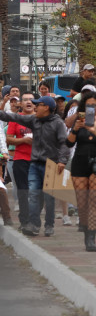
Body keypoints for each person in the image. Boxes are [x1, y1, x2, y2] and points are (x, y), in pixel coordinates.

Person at [0, 95, 70, 237]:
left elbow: (64, 143)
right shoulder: (34, 119)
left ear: (47, 107)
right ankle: (34, 225)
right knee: (34, 195)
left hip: (51, 164)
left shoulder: (58, 123)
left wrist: (62, 161)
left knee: (49, 198)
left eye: (39, 104)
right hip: (34, 164)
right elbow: (13, 117)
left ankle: (49, 225)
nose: (35, 106)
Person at [65, 94, 96, 251]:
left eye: (94, 105)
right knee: (82, 203)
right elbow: (69, 143)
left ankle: (91, 236)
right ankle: (85, 229)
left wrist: (91, 127)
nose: (92, 108)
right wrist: (76, 129)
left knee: (93, 201)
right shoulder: (79, 121)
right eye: (89, 105)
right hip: (80, 161)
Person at [6, 93, 35, 231]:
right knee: (23, 191)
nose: (28, 102)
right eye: (25, 100)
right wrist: (23, 140)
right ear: (21, 104)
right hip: (20, 159)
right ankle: (25, 221)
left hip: (38, 160)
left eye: (31, 100)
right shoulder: (15, 119)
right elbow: (9, 139)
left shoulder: (41, 119)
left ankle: (35, 220)